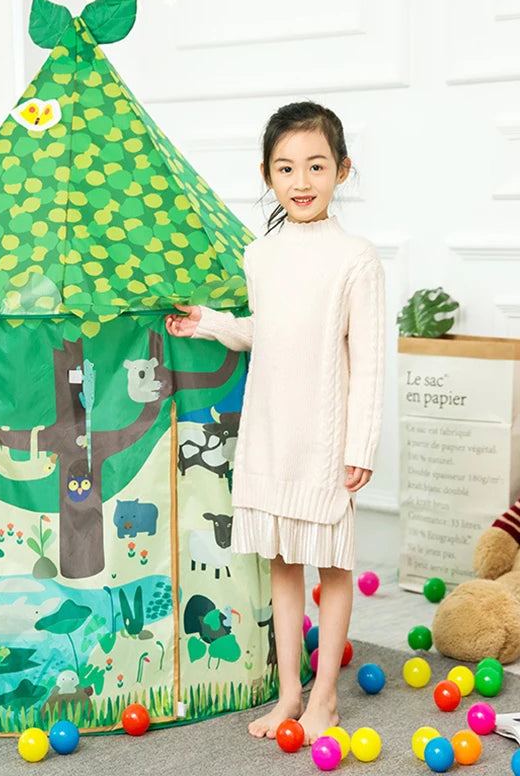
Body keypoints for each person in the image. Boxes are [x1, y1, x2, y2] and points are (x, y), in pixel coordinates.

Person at [166, 101, 384, 744]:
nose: (301, 181)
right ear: (267, 174)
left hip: (322, 437)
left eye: (317, 166)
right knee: (284, 564)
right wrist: (209, 322)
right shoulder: (260, 255)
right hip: (270, 432)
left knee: (332, 567)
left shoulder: (356, 257)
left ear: (343, 170)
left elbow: (368, 356)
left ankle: (325, 697)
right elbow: (270, 332)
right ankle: (290, 691)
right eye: (286, 168)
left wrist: (360, 442)